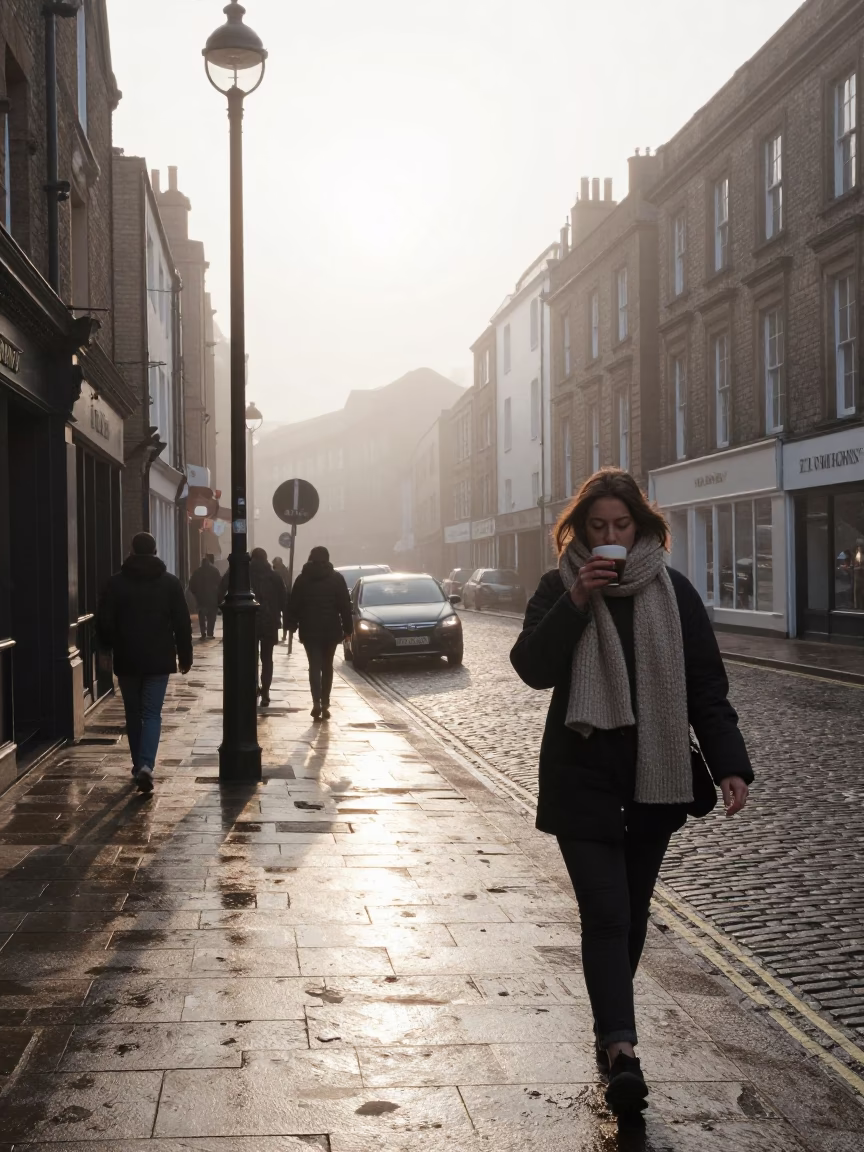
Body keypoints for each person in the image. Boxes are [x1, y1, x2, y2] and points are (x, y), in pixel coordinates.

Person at [510, 469, 753, 1118]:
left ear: (642, 527)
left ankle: (608, 1027)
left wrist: (731, 764)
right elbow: (531, 668)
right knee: (607, 914)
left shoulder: (674, 593)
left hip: (655, 783)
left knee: (633, 918)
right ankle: (622, 1050)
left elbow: (705, 685)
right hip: (580, 782)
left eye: (622, 526)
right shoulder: (557, 588)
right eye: (598, 527)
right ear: (581, 531)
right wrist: (577, 603)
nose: (610, 538)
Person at [96, 532, 193, 794]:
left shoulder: (116, 583)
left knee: (133, 713)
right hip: (159, 658)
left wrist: (104, 649)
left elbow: (104, 619)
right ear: (155, 550)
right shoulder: (170, 583)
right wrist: (185, 656)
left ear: (131, 550)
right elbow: (182, 623)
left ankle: (138, 763)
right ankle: (146, 765)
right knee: (151, 713)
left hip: (127, 657)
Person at [287, 545, 352, 720]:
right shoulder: (337, 578)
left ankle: (316, 701)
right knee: (327, 666)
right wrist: (348, 629)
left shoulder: (302, 579)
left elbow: (294, 604)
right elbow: (345, 606)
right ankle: (325, 703)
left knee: (314, 666)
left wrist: (291, 625)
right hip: (331, 629)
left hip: (309, 629)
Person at [189, 554, 221, 640]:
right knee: (211, 617)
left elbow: (191, 585)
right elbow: (220, 584)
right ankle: (210, 633)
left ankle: (203, 632)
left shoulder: (197, 572)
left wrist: (196, 594)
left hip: (201, 599)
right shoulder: (215, 571)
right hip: (212, 598)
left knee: (202, 616)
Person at [273, 556, 291, 641]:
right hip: (280, 596)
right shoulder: (283, 571)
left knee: (282, 616)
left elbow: (287, 583)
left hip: (282, 596)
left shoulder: (280, 571)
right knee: (279, 616)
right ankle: (282, 635)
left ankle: (284, 635)